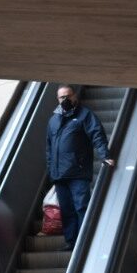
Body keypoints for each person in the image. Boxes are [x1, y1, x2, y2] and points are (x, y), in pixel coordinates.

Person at [46, 85, 115, 250]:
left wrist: (105, 155)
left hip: (78, 172)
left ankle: (85, 241)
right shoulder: (53, 120)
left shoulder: (85, 115)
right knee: (66, 210)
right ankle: (71, 241)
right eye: (61, 97)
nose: (65, 100)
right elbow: (49, 147)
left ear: (74, 96)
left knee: (82, 206)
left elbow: (97, 135)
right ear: (58, 99)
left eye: (68, 96)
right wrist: (51, 169)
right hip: (59, 175)